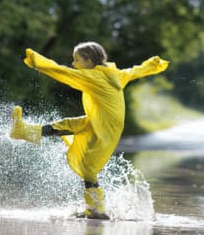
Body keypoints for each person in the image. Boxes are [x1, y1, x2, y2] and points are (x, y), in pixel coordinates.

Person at [10, 41, 169, 219]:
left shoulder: (93, 77)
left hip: (104, 126)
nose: (74, 64)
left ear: (88, 61)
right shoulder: (114, 74)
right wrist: (151, 65)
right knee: (70, 125)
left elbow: (63, 72)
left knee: (88, 167)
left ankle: (97, 210)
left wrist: (37, 61)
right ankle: (24, 131)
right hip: (105, 122)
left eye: (76, 59)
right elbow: (135, 71)